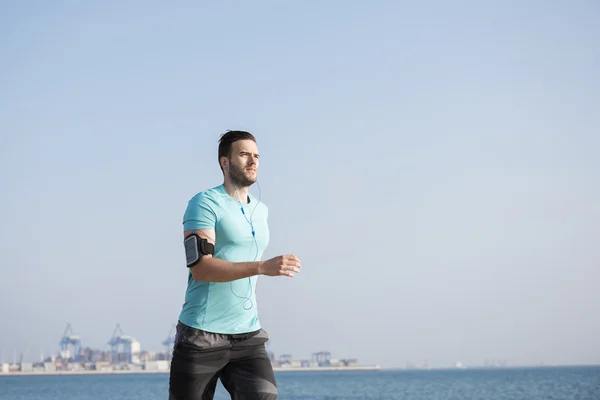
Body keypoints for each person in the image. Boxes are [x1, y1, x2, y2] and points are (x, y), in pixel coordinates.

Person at [168, 130, 301, 400]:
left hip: (248, 336)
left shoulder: (261, 210)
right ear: (224, 162)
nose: (253, 161)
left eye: (256, 156)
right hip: (201, 336)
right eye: (244, 154)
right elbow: (201, 268)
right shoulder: (204, 203)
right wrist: (262, 267)